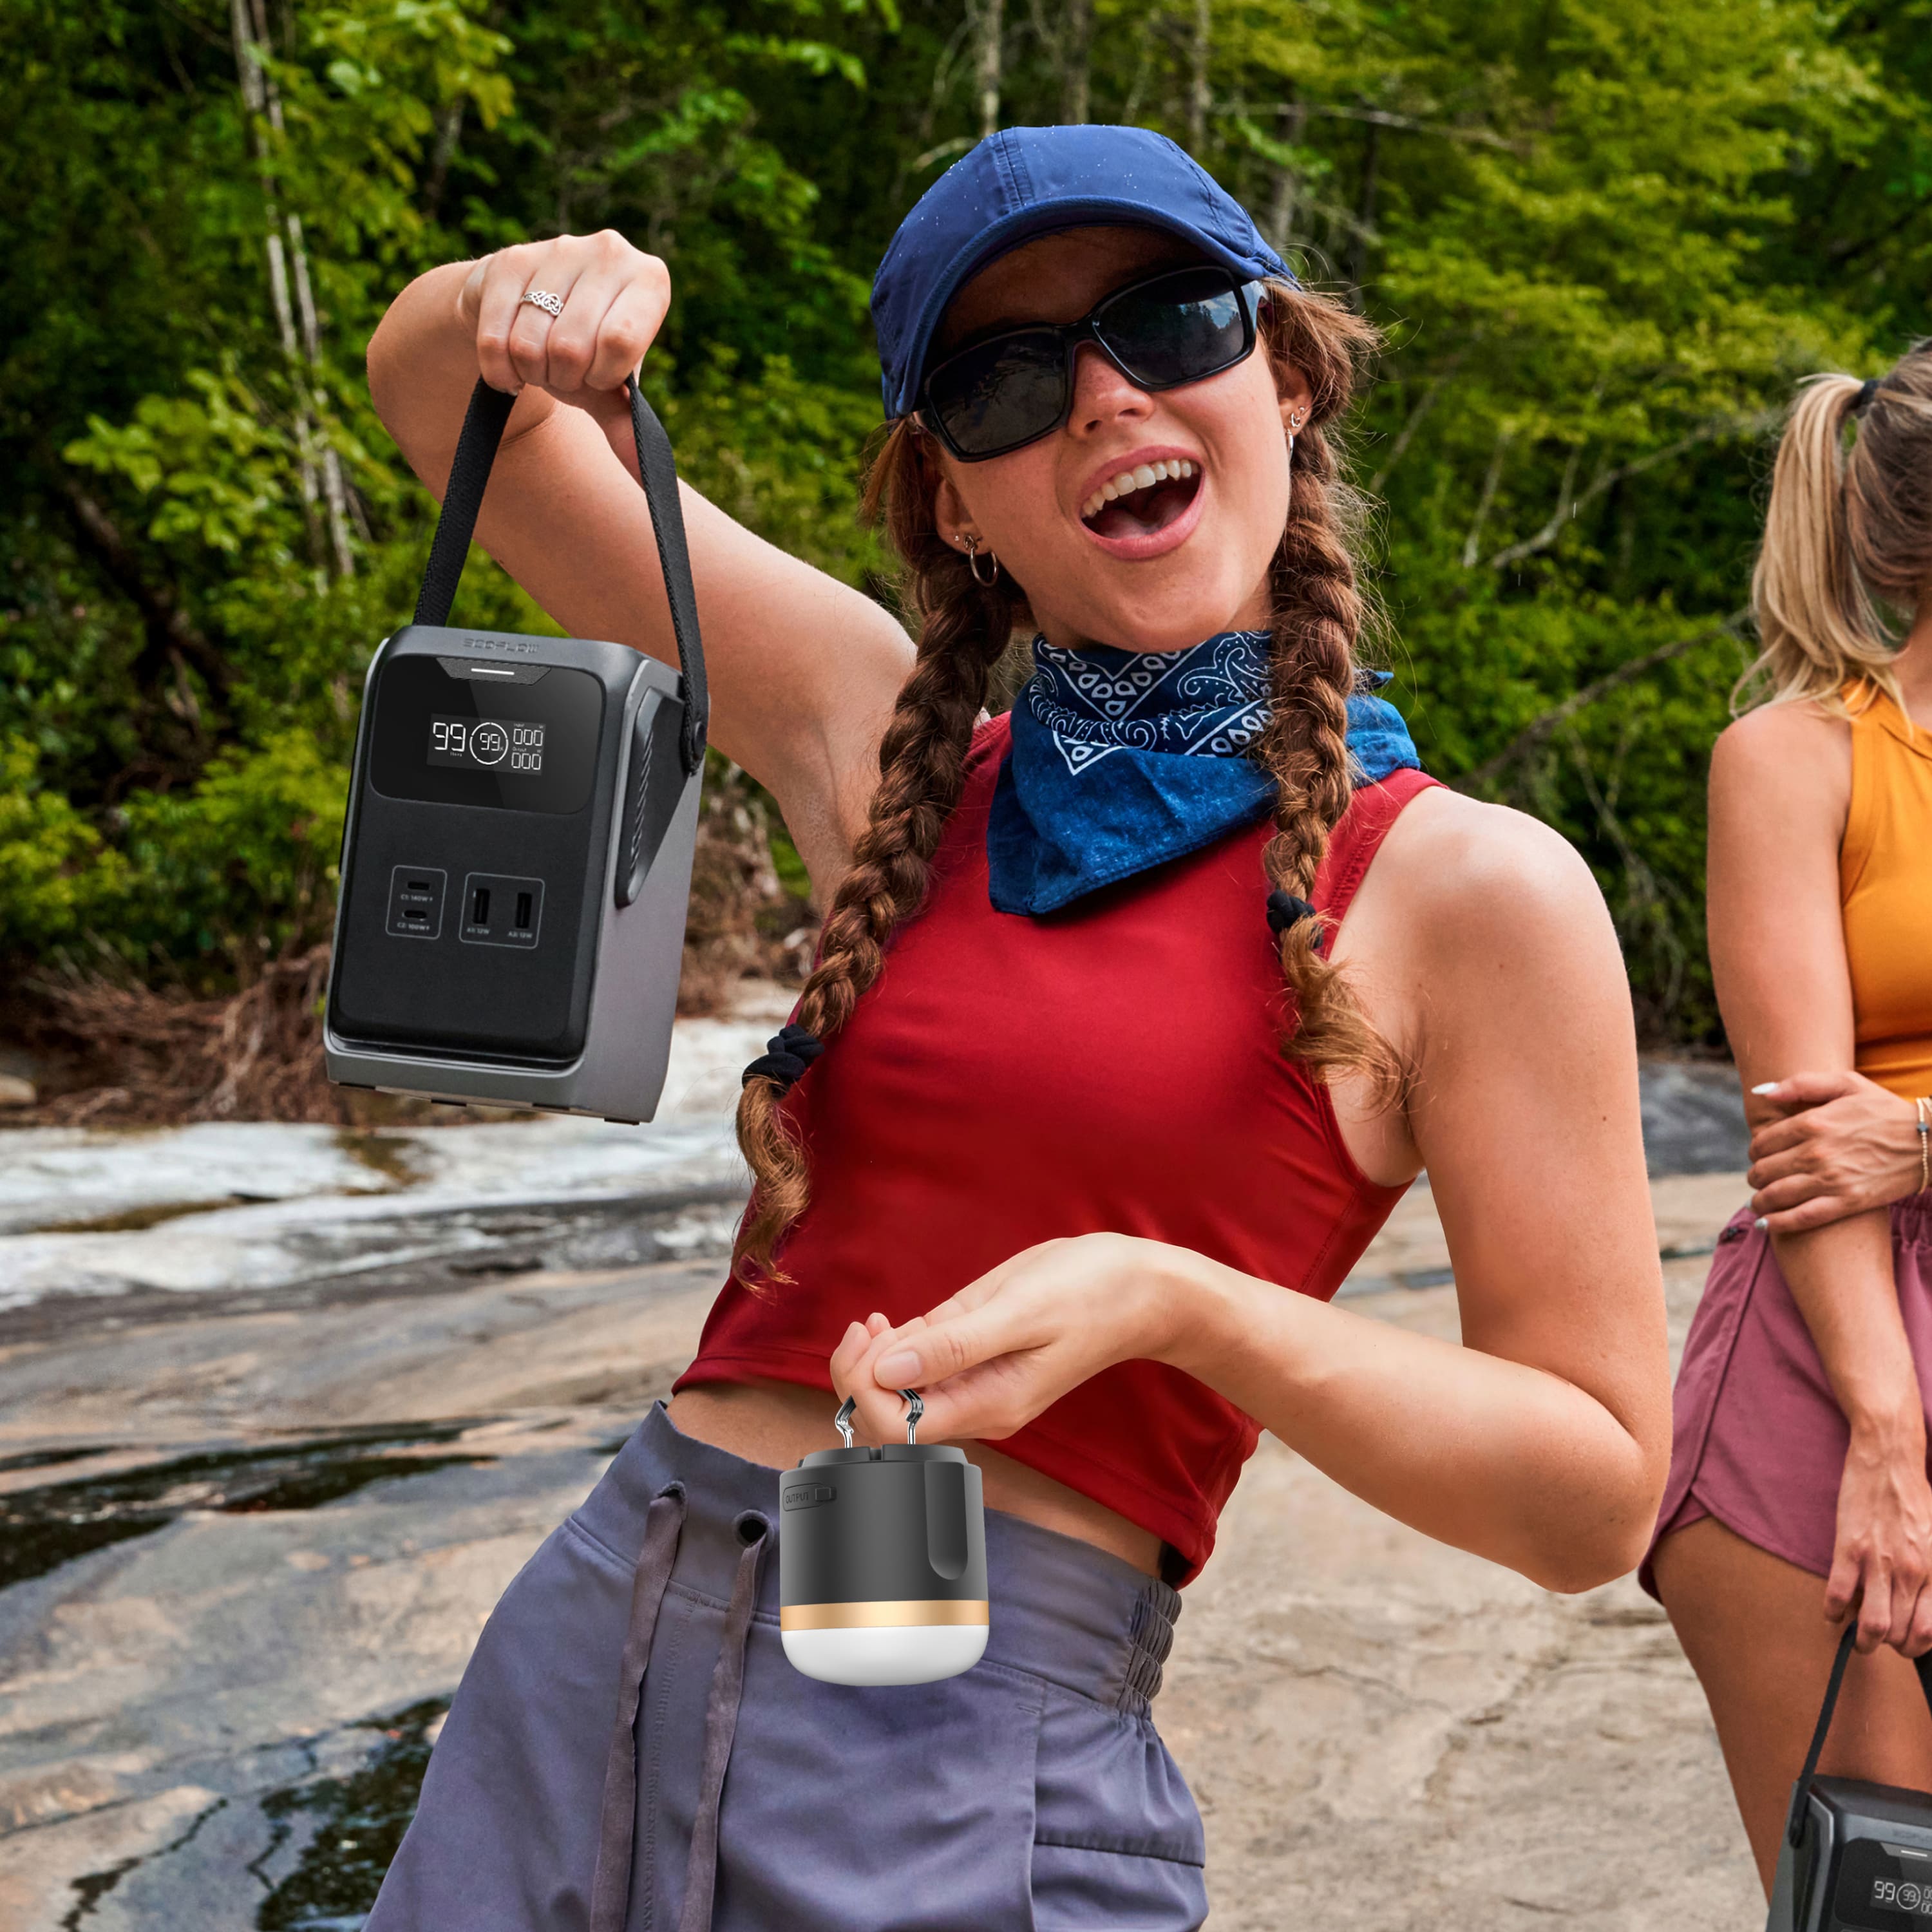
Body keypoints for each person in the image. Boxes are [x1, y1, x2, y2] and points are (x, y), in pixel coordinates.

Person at [361, 126, 1670, 1932]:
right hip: (595, 1661)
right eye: (1005, 379)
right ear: (953, 500)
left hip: (978, 1733)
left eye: (1173, 318)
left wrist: (1181, 1305)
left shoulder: (1470, 891)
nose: (1107, 395)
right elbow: (451, 412)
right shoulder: (882, 751)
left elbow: (1594, 1496)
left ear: (1287, 378)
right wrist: (506, 302)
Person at [1644, 342, 1932, 1894]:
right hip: (1832, 1382)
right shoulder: (1792, 759)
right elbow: (1812, 1139)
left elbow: (1883, 1136)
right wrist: (1888, 1437)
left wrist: (1925, 1137)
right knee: (1884, 1890)